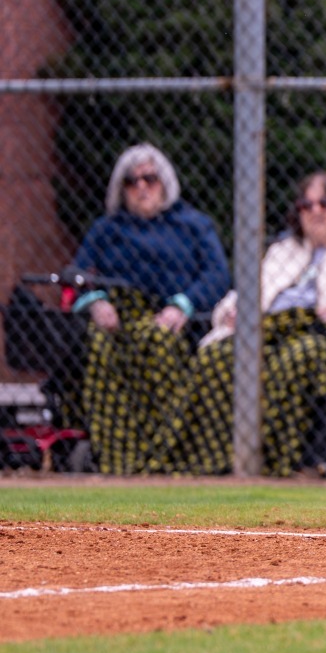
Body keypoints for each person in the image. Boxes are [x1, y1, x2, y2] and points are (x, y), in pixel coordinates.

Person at [181, 172, 326, 476]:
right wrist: (232, 311)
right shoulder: (282, 251)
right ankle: (216, 459)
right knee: (216, 357)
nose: (315, 211)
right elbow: (247, 291)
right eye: (307, 205)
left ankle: (271, 460)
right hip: (268, 331)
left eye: (325, 203)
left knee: (296, 357)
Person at [68, 144, 230, 475]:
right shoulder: (107, 229)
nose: (141, 187)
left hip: (176, 320)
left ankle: (165, 454)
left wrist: (183, 305)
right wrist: (96, 301)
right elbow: (77, 274)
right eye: (131, 181)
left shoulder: (193, 225)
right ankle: (117, 458)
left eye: (150, 179)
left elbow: (217, 275)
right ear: (121, 189)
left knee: (156, 340)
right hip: (120, 317)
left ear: (165, 183)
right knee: (98, 344)